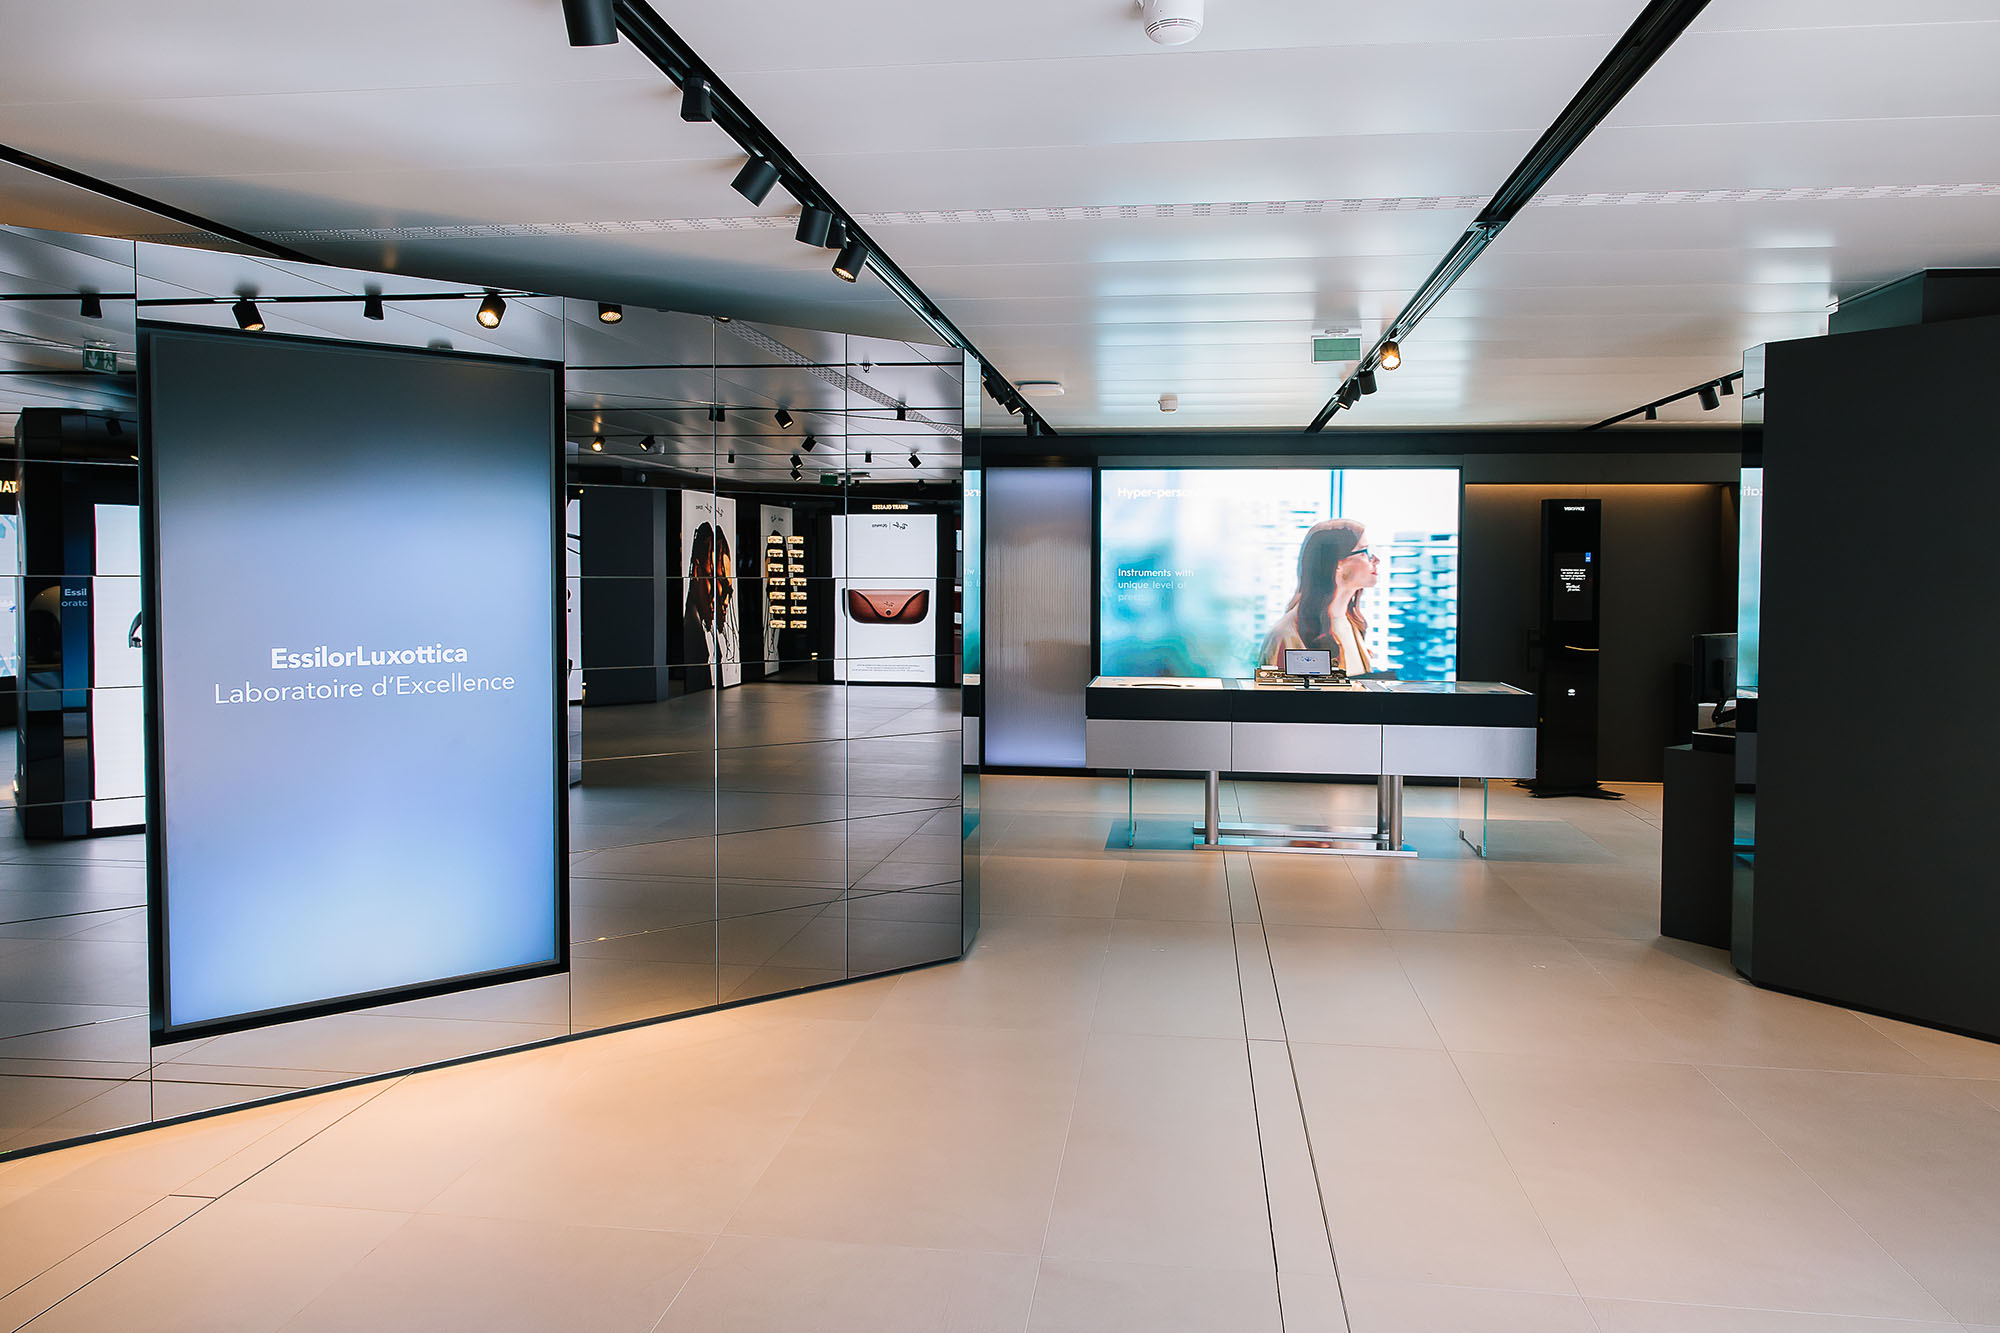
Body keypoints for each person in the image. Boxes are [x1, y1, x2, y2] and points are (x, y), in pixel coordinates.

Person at [1259, 517, 1378, 675]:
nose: (1376, 560)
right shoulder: (1287, 635)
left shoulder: (1352, 623)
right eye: (1364, 552)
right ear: (1337, 563)